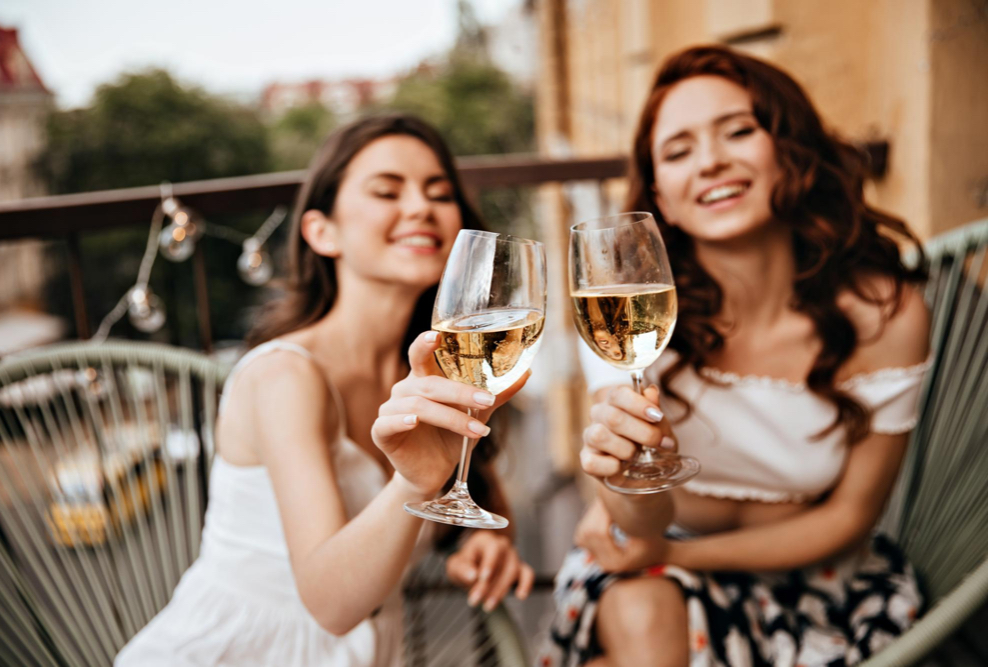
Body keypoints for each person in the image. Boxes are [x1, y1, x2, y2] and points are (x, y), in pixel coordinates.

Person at [538, 46, 930, 667]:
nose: (711, 162)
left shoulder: (882, 314)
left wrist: (679, 556)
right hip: (646, 563)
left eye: (738, 131)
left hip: (820, 583)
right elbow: (636, 524)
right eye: (678, 151)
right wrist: (621, 477)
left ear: (790, 149)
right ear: (661, 197)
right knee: (642, 610)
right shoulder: (630, 308)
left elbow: (850, 517)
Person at [116, 115, 534, 667]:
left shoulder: (447, 368)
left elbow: (472, 493)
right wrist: (412, 483)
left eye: (440, 192)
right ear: (321, 232)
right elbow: (332, 604)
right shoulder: (285, 377)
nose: (420, 208)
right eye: (387, 191)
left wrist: (476, 541)